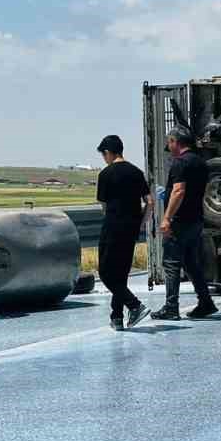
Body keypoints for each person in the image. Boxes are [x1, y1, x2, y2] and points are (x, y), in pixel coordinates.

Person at [151, 127, 218, 321]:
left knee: (171, 263)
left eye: (169, 142)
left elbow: (179, 191)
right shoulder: (200, 163)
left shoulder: (180, 162)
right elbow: (202, 191)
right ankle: (206, 302)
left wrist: (167, 218)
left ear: (176, 141)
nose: (168, 146)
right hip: (195, 219)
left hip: (179, 221)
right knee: (191, 263)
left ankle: (171, 307)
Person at [93, 135, 150, 331]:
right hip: (131, 228)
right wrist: (141, 223)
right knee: (121, 273)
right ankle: (116, 316)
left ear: (108, 152)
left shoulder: (106, 174)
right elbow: (149, 202)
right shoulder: (137, 172)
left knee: (106, 274)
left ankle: (134, 305)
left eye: (104, 155)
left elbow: (103, 204)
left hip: (113, 227)